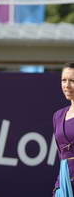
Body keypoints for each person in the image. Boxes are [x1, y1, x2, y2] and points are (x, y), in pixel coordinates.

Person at [52, 62, 74, 197]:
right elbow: (61, 156)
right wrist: (58, 187)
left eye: (72, 80)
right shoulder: (58, 116)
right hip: (64, 184)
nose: (67, 85)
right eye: (64, 80)